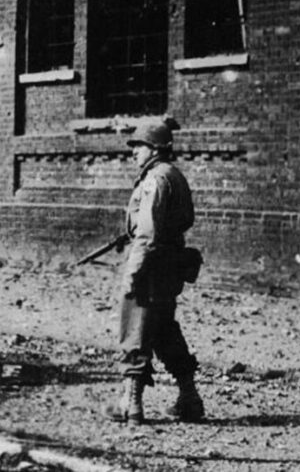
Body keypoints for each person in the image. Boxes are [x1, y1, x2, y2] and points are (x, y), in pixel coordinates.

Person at [103, 122, 205, 425]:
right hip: (169, 266)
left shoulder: (155, 179)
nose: (134, 152)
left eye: (140, 146)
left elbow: (147, 234)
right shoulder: (175, 176)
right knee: (164, 330)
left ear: (156, 149)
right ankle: (190, 399)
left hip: (150, 266)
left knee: (135, 327)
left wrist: (132, 273)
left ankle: (130, 403)